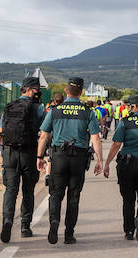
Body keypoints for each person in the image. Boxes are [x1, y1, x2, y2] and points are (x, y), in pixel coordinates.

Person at [37, 76, 102, 245]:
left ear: (66, 91)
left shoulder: (55, 110)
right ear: (81, 92)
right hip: (78, 159)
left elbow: (44, 135)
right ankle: (69, 234)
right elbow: (95, 137)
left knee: (55, 194)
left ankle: (54, 222)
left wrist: (39, 157)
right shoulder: (88, 112)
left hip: (58, 157)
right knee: (74, 197)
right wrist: (101, 160)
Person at [102, 94, 138, 242]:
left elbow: (116, 144)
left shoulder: (126, 122)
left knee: (128, 200)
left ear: (134, 107)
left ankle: (128, 231)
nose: (128, 108)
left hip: (127, 165)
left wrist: (107, 163)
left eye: (129, 106)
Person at [0, 75, 45, 242]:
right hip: (29, 152)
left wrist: (4, 151)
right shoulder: (38, 108)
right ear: (31, 90)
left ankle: (7, 220)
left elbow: (1, 130)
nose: (39, 93)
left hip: (10, 152)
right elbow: (45, 131)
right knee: (28, 190)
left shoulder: (9, 106)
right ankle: (25, 226)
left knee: (10, 190)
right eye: (38, 90)